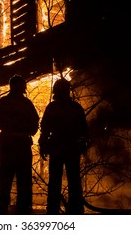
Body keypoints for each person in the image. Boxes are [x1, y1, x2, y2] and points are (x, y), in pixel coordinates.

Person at [39, 77, 89, 214]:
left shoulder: (53, 108)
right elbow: (84, 131)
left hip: (58, 148)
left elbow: (45, 129)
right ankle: (75, 210)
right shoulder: (75, 108)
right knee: (73, 182)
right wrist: (83, 146)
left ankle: (54, 210)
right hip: (70, 149)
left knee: (56, 182)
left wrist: (43, 145)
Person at [0, 74, 39, 214]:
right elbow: (34, 125)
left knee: (6, 178)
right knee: (23, 178)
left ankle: (4, 206)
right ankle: (24, 208)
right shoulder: (27, 104)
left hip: (9, 145)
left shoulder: (4, 102)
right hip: (21, 146)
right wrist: (24, 131)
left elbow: (1, 123)